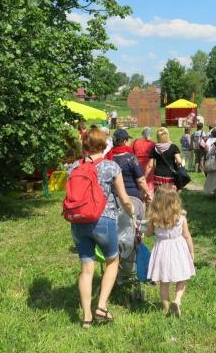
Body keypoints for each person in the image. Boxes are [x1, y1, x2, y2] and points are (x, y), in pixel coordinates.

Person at [69, 129, 135, 328]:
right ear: (105, 145)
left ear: (85, 146)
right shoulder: (111, 166)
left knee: (86, 270)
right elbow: (123, 198)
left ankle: (86, 317)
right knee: (112, 261)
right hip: (103, 220)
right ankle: (102, 306)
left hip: (78, 222)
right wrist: (132, 211)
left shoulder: (74, 166)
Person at [145, 186, 195, 317]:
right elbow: (187, 236)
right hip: (179, 249)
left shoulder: (154, 218)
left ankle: (166, 309)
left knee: (164, 281)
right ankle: (177, 300)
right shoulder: (181, 217)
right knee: (183, 276)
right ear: (175, 201)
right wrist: (191, 251)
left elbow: (149, 233)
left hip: (162, 249)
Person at [107, 129, 152, 203]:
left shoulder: (108, 157)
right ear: (125, 142)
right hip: (131, 197)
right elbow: (141, 180)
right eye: (128, 140)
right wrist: (148, 193)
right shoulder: (131, 158)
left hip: (114, 197)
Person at [132, 127, 155, 192]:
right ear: (150, 134)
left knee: (139, 183)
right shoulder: (153, 144)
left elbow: (131, 153)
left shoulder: (136, 142)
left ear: (142, 134)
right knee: (149, 184)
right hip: (149, 166)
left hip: (137, 165)